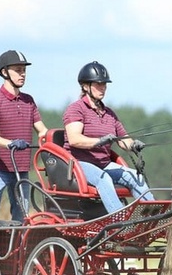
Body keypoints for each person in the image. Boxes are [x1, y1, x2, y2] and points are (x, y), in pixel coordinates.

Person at [63, 61, 154, 214]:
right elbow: (74, 139)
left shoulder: (109, 113)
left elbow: (123, 138)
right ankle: (119, 220)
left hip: (104, 163)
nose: (103, 88)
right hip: (78, 164)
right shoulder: (76, 109)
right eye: (99, 84)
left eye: (105, 84)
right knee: (103, 178)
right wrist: (99, 141)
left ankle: (153, 215)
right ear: (86, 86)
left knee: (132, 175)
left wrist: (132, 145)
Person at [0, 50, 48, 221]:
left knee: (22, 218)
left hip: (21, 170)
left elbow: (42, 130)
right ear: (4, 72)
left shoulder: (29, 100)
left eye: (24, 70)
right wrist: (10, 143)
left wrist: (61, 139)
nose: (22, 74)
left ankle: (16, 247)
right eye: (18, 70)